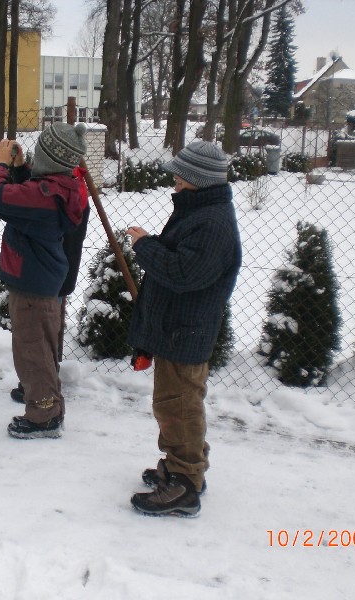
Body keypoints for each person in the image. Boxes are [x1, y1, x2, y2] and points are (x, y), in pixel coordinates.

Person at [125, 141, 242, 517]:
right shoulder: (201, 211)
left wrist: (145, 247)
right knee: (174, 402)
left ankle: (185, 484)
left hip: (186, 332)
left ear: (196, 179)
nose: (173, 179)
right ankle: (182, 466)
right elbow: (181, 257)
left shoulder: (212, 223)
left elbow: (183, 272)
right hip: (178, 328)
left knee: (179, 405)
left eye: (179, 174)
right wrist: (154, 244)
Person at [0, 123, 89, 439]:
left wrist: (1, 164)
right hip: (41, 279)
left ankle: (44, 416)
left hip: (33, 282)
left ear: (49, 157)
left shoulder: (45, 195)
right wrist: (19, 167)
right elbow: (29, 190)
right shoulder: (58, 187)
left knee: (32, 351)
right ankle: (49, 403)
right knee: (40, 348)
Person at [9, 164, 90, 404]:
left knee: (36, 341)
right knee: (40, 338)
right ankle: (38, 385)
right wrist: (21, 170)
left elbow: (29, 203)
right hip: (51, 276)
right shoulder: (68, 185)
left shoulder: (62, 193)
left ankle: (43, 395)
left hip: (44, 278)